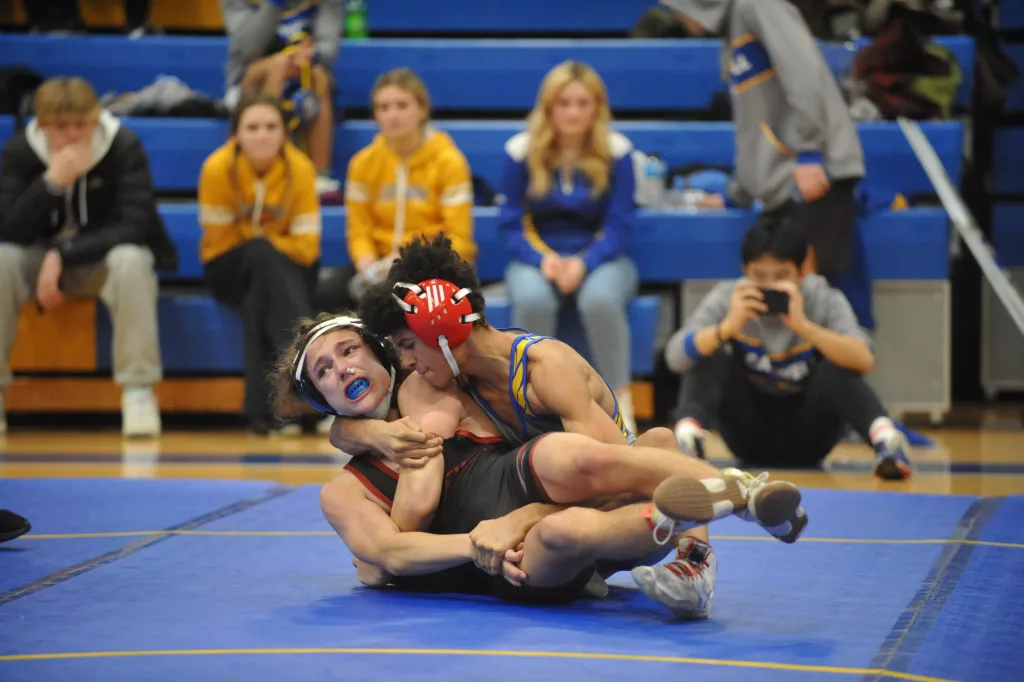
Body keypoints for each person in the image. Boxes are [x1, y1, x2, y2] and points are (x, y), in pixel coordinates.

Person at [328, 235, 773, 617]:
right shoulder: (452, 373)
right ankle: (710, 503)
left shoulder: (544, 370)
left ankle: (716, 530)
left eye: (408, 344)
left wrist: (523, 516)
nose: (406, 361)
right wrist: (360, 432)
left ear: (440, 325)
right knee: (563, 519)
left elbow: (612, 483)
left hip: (613, 498)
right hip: (562, 516)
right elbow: (355, 411)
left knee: (656, 442)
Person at [275, 313, 808, 617]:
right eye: (324, 371)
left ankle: (726, 505)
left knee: (636, 445)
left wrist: (370, 435)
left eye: (349, 351)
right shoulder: (341, 493)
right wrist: (475, 543)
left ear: (381, 351)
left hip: (529, 483)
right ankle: (683, 512)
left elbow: (406, 523)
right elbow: (393, 546)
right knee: (564, 532)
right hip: (511, 555)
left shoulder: (431, 384)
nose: (342, 369)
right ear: (320, 399)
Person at [666, 218, 912, 480]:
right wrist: (726, 328)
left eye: (781, 276)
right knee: (708, 353)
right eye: (759, 276)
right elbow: (674, 357)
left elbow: (864, 359)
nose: (770, 285)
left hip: (811, 435)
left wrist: (803, 326)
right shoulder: (728, 297)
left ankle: (887, 442)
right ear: (744, 270)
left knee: (837, 364)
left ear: (802, 271)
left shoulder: (823, 298)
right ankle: (688, 444)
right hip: (746, 433)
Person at [0, 76, 176, 437]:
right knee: (2, 260)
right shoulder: (21, 150)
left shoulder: (122, 145)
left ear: (95, 120)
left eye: (81, 124)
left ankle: (138, 391)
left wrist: (63, 254)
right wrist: (51, 184)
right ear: (42, 125)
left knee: (133, 260)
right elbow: (10, 228)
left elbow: (136, 223)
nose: (73, 134)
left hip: (99, 261)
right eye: (61, 126)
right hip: (36, 263)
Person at [660, 0, 866, 307]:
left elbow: (804, 73)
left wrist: (810, 153)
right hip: (787, 186)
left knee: (825, 307)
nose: (678, 16)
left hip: (811, 179)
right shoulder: (731, 37)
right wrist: (740, 192)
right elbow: (753, 126)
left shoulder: (758, 5)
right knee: (797, 310)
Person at [498, 61, 640, 434]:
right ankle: (531, 404)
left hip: (603, 257)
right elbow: (512, 222)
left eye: (583, 103)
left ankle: (620, 405)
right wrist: (541, 259)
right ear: (548, 107)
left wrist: (584, 262)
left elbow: (619, 224)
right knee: (533, 299)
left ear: (597, 108)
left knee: (600, 300)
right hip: (536, 257)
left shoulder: (618, 152)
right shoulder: (520, 151)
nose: (573, 112)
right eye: (564, 103)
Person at [197, 91, 321, 434]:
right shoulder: (216, 169)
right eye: (252, 127)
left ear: (284, 133)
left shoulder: (301, 169)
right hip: (227, 269)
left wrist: (267, 244)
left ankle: (264, 413)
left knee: (261, 294)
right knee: (260, 256)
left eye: (271, 127)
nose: (262, 135)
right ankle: (305, 388)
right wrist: (269, 242)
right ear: (236, 134)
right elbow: (221, 243)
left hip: (287, 268)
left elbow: (307, 249)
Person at [318, 68, 475, 313]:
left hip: (433, 263)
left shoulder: (449, 162)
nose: (393, 115)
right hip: (379, 262)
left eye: (402, 105)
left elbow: (459, 236)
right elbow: (359, 230)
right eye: (384, 107)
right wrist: (367, 263)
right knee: (327, 296)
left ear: (422, 110)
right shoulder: (362, 163)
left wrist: (410, 260)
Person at [221, 0, 344, 196]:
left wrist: (311, 55)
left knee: (318, 74)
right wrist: (274, 3)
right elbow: (246, 50)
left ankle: (320, 176)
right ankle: (270, 168)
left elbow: (328, 49)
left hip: (305, 70)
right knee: (278, 65)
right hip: (250, 76)